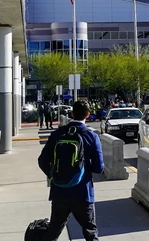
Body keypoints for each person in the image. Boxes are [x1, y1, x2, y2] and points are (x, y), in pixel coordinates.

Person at [38, 100, 104, 241]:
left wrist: (53, 175)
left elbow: (42, 161)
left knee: (53, 232)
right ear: (88, 114)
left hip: (59, 191)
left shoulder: (57, 134)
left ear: (72, 113)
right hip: (83, 192)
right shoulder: (91, 136)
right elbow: (99, 168)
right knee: (90, 233)